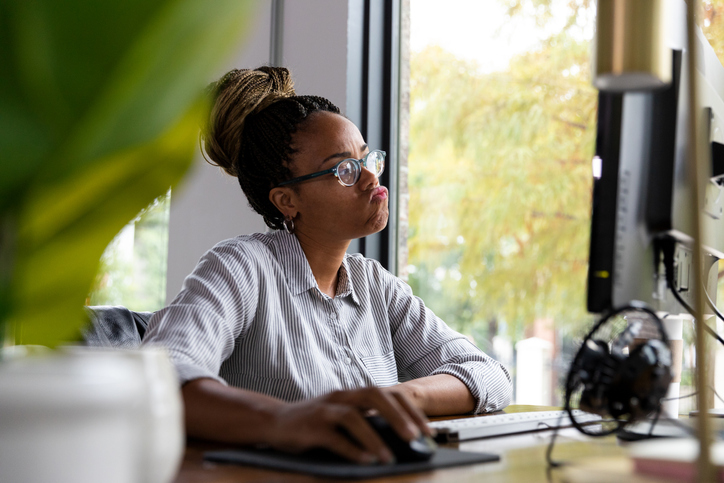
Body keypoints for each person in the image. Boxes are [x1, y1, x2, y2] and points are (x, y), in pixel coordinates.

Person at [142, 66, 512, 465]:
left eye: (367, 159)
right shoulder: (241, 267)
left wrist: (401, 396)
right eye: (346, 170)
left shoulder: (375, 285)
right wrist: (287, 419)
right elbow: (159, 381)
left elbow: (488, 374)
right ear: (287, 201)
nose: (371, 178)